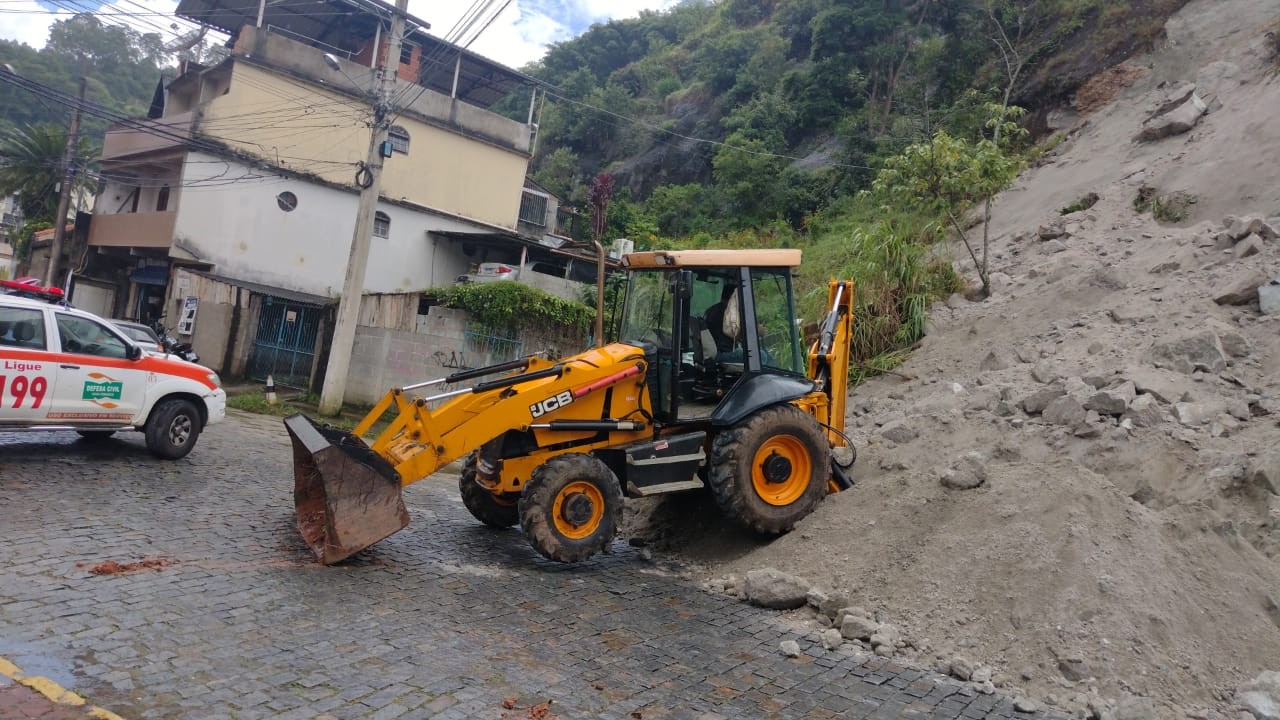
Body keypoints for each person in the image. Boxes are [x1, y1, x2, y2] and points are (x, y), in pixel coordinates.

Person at [703, 283, 736, 353]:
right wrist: (757, 331)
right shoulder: (726, 312)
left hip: (716, 350)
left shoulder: (711, 310)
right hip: (723, 352)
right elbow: (737, 334)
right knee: (762, 355)